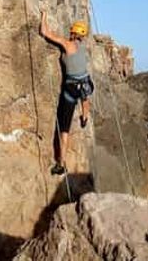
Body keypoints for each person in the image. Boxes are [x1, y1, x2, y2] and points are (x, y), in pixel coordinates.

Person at [39, 10, 94, 175]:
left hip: (70, 89)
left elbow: (45, 32)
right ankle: (85, 116)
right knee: (85, 95)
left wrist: (43, 15)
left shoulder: (67, 45)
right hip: (84, 84)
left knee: (64, 129)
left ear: (73, 32)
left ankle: (61, 164)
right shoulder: (84, 47)